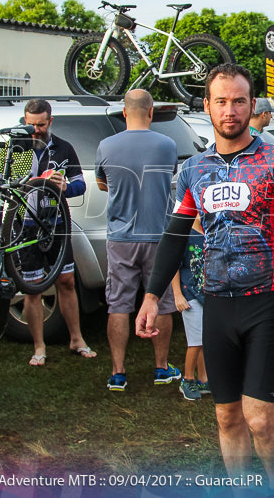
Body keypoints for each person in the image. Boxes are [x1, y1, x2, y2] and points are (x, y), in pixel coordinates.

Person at [135, 63, 274, 490]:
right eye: (221, 101)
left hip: (266, 301)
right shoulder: (193, 169)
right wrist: (152, 297)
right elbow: (173, 237)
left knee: (260, 417)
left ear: (252, 105)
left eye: (239, 101)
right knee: (226, 415)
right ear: (206, 106)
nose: (230, 110)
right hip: (216, 305)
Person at [95, 89, 179, 389]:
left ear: (124, 113)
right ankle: (161, 367)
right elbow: (168, 177)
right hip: (158, 235)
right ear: (151, 111)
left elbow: (103, 183)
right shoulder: (167, 145)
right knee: (163, 302)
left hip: (121, 237)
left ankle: (118, 372)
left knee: (118, 304)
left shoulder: (106, 145)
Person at [17, 99, 96, 366]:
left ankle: (77, 339)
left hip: (56, 225)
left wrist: (64, 187)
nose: (36, 130)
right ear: (24, 121)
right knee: (33, 288)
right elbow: (3, 187)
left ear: (51, 121)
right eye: (31, 125)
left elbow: (80, 185)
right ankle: (39, 346)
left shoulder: (63, 147)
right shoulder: (18, 148)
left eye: (41, 124)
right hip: (25, 226)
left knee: (67, 282)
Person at [170, 216, 210, 401]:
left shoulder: (209, 233)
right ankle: (187, 379)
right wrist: (177, 294)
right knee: (195, 343)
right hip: (189, 295)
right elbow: (173, 267)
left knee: (204, 340)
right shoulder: (185, 235)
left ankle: (203, 379)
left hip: (206, 296)